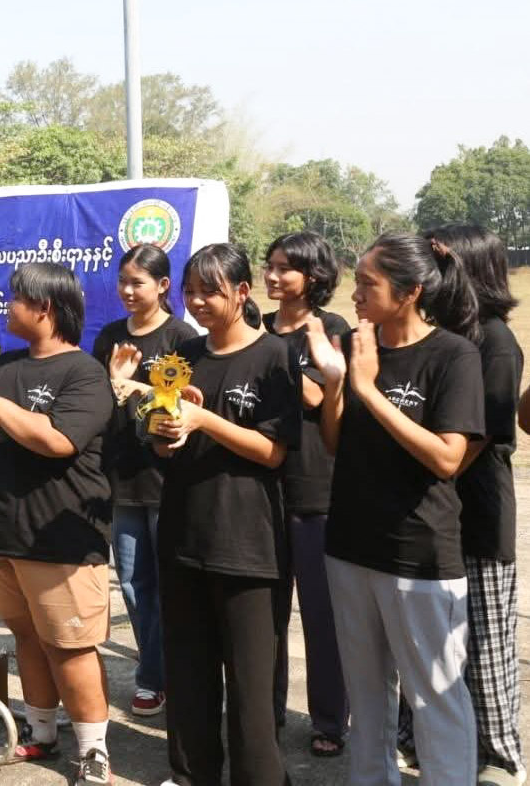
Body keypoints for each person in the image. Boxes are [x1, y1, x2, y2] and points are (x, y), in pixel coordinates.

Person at [306, 232, 484, 785]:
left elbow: (448, 458)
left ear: (409, 293)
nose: (355, 294)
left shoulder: (453, 355)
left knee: (435, 697)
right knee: (366, 696)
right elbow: (334, 443)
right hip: (350, 546)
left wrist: (369, 390)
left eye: (368, 283)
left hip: (419, 555)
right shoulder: (357, 344)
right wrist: (337, 383)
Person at [0, 263, 116, 785]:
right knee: (26, 635)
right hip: (0, 531)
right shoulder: (3, 365)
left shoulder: (85, 373)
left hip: (58, 539)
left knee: (70, 646)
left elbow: (57, 441)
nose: (7, 306)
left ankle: (93, 751)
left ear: (44, 307)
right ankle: (41, 732)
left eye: (15, 299)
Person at [151, 243, 299, 786]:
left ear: (241, 292)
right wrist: (165, 431)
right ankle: (191, 775)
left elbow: (274, 452)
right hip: (183, 535)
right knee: (188, 675)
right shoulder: (183, 354)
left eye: (209, 292)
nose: (197, 302)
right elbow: (162, 439)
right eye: (190, 291)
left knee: (251, 688)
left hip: (248, 545)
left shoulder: (276, 356)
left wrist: (205, 420)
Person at [398, 225, 522, 785]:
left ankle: (499, 758)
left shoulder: (495, 342)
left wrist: (417, 475)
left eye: (435, 262)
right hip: (429, 514)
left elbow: (467, 448)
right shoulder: (438, 334)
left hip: (475, 517)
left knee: (486, 645)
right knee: (425, 642)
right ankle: (420, 739)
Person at [91, 244, 196, 719]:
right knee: (134, 585)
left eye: (138, 282)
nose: (128, 291)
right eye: (123, 281)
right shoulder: (110, 337)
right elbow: (98, 405)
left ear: (163, 285)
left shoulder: (182, 337)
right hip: (122, 480)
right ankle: (158, 671)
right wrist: (113, 382)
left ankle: (157, 677)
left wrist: (134, 386)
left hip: (168, 480)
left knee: (170, 584)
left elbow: (184, 408)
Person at [261, 231, 350, 756]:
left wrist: (271, 355)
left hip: (315, 492)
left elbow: (317, 395)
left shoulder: (330, 329)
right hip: (259, 493)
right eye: (269, 265)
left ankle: (329, 721)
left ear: (312, 277)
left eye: (284, 268)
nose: (272, 276)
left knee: (321, 618)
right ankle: (263, 712)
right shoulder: (256, 325)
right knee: (264, 619)